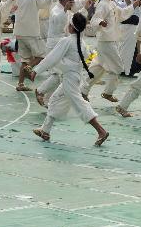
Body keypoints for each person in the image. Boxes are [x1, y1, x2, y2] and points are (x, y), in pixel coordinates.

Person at [30, 13, 109, 146]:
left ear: (71, 27)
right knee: (55, 99)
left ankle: (101, 131)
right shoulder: (81, 43)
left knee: (79, 104)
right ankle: (45, 130)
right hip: (74, 78)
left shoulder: (66, 41)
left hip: (70, 80)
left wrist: (36, 70)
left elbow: (52, 58)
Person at [81, 0, 136, 101]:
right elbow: (95, 19)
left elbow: (122, 13)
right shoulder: (102, 4)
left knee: (98, 67)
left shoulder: (110, 3)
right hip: (107, 41)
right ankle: (108, 92)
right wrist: (100, 22)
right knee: (117, 67)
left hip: (109, 40)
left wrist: (134, 5)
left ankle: (83, 90)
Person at [10, 0, 55, 92]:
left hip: (19, 33)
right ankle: (29, 68)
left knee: (25, 59)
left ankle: (20, 84)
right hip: (31, 32)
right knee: (41, 55)